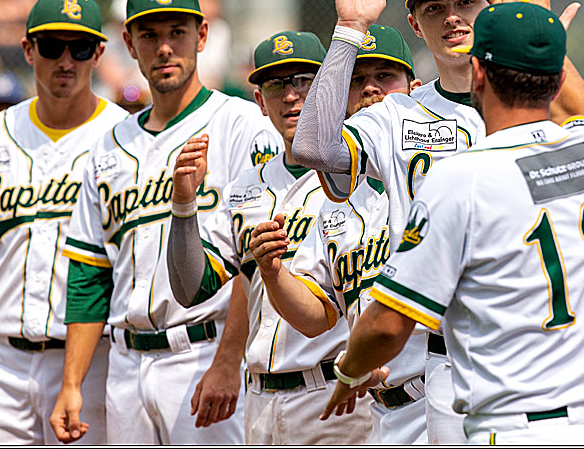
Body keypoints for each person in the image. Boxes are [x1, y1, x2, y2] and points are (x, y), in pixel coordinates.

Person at [292, 0, 584, 443]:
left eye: (466, 2)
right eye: (434, 7)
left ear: (490, 5)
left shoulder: (529, 102)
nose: (452, 18)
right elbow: (314, 148)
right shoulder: (396, 114)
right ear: (414, 24)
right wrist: (349, 31)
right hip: (439, 358)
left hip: (542, 340)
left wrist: (541, 45)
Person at [51, 0, 281, 445]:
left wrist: (227, 360)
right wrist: (72, 382)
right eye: (149, 35)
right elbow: (89, 273)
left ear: (201, 35)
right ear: (128, 45)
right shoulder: (109, 144)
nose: (164, 49)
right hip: (124, 364)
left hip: (205, 350)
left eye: (177, 32)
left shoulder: (240, 125)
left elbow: (256, 261)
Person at [168, 29, 414, 444]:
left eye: (305, 81)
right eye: (277, 83)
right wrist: (183, 208)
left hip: (339, 391)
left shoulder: (363, 180)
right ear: (260, 101)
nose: (291, 95)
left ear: (329, 89)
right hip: (262, 397)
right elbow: (193, 288)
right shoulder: (247, 186)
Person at [0, 0, 126, 444]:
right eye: (52, 47)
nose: (66, 61)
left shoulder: (123, 139)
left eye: (79, 48)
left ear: (98, 53)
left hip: (92, 360)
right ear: (27, 49)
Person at [241, 25, 431, 444]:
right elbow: (316, 317)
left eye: (385, 77)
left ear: (414, 89)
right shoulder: (329, 198)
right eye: (357, 80)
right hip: (380, 409)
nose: (370, 89)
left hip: (432, 394)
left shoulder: (435, 176)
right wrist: (273, 273)